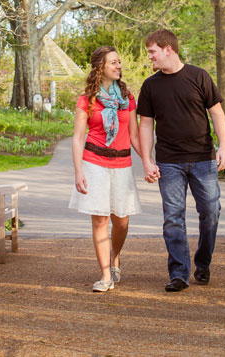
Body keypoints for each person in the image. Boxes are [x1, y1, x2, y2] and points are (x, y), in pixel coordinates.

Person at [137, 29, 225, 292]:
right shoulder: (150, 86)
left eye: (153, 52)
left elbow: (217, 114)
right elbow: (145, 126)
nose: (150, 58)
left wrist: (224, 147)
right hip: (169, 162)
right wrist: (147, 159)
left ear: (168, 49)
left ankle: (202, 262)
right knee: (173, 218)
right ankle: (179, 273)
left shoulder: (199, 76)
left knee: (211, 212)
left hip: (203, 159)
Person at [69, 46, 143, 292]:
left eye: (119, 62)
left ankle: (114, 257)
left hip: (122, 164)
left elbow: (133, 135)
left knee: (121, 221)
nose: (118, 65)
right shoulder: (86, 99)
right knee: (100, 219)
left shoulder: (128, 99)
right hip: (94, 163)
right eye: (113, 62)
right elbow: (78, 138)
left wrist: (149, 161)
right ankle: (105, 276)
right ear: (100, 67)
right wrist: (79, 172)